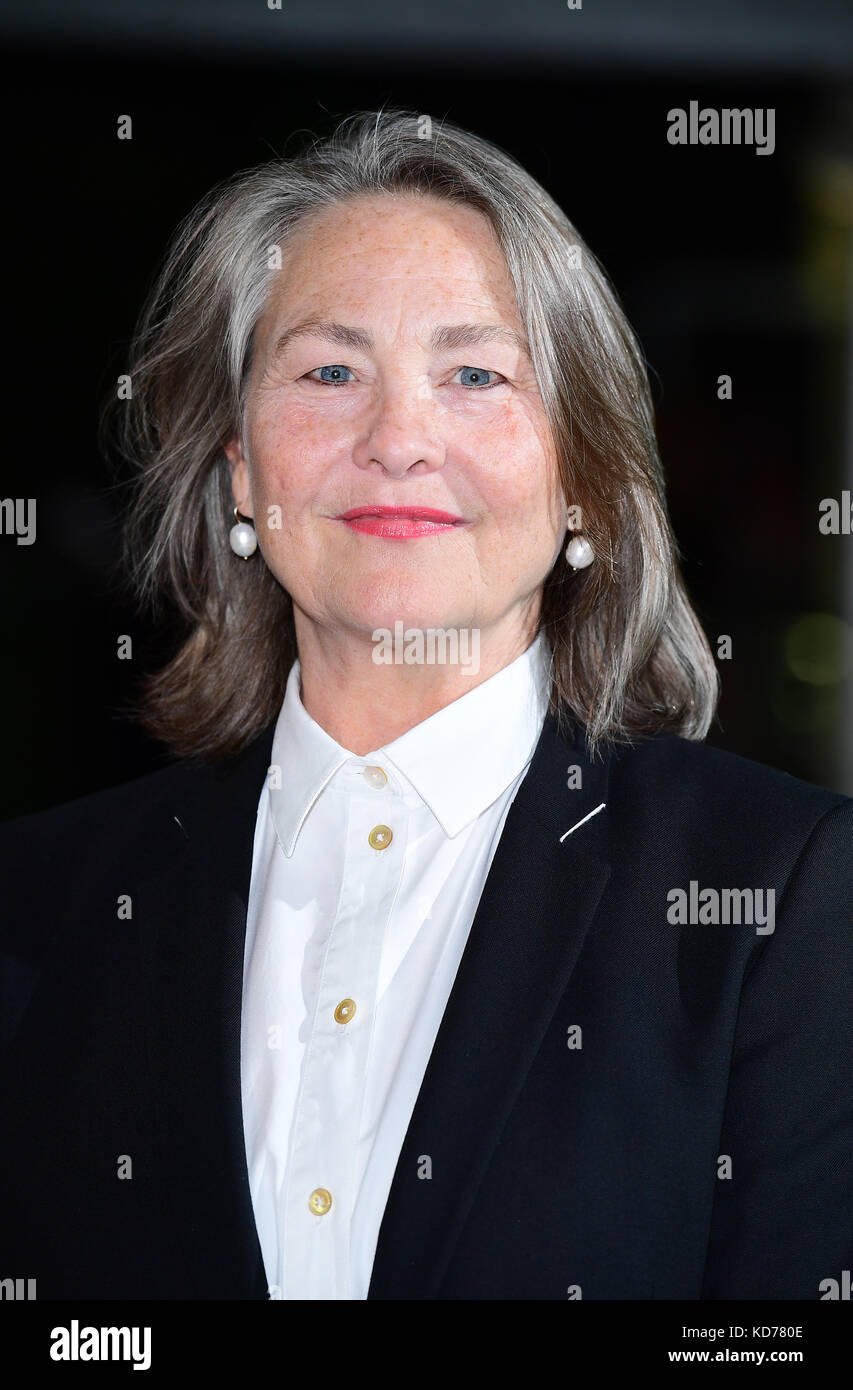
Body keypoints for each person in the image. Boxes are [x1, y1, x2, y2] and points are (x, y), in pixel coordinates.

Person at [1, 109, 850, 1302]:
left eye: (474, 374)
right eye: (330, 370)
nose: (398, 438)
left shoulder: (783, 898)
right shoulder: (39, 902)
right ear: (240, 465)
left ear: (584, 480)